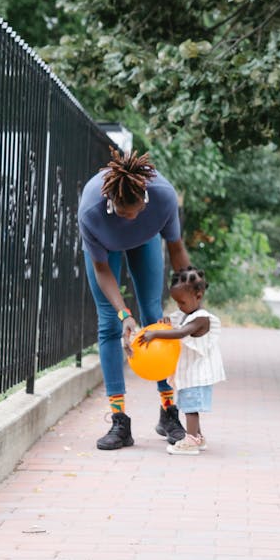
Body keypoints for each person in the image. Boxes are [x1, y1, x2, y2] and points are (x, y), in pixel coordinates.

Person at [78, 148, 191, 451]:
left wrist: (191, 303)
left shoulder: (163, 197)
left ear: (145, 198)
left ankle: (168, 412)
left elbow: (177, 248)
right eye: (122, 212)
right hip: (104, 248)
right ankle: (119, 422)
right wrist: (124, 314)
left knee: (155, 318)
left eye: (136, 210)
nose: (130, 217)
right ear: (110, 202)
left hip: (146, 242)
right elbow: (102, 270)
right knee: (109, 326)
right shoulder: (91, 211)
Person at [141, 266, 225, 455]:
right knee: (189, 404)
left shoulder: (201, 318)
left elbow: (181, 332)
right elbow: (173, 322)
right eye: (176, 302)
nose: (179, 306)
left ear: (198, 295)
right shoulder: (185, 313)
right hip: (190, 372)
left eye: (182, 302)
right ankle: (198, 437)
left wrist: (156, 334)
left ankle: (191, 441)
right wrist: (165, 322)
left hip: (198, 373)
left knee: (190, 407)